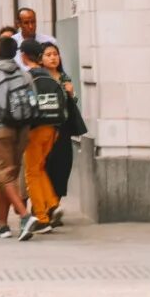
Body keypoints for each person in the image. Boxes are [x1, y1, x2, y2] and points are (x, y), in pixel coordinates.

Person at [0, 34, 35, 237]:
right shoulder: (23, 73)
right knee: (10, 175)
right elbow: (33, 100)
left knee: (2, 174)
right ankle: (2, 224)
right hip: (22, 129)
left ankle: (24, 216)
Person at [19, 40, 66, 231]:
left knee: (31, 172)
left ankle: (41, 216)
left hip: (35, 129)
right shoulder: (50, 78)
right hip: (53, 129)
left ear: (23, 56)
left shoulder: (28, 78)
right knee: (39, 168)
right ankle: (52, 202)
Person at [40, 43, 87, 228]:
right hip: (45, 128)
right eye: (48, 54)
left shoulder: (64, 77)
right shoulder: (39, 78)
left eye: (55, 54)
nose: (53, 58)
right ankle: (43, 208)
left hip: (64, 129)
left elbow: (73, 103)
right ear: (41, 59)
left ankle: (55, 207)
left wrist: (71, 93)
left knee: (62, 167)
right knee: (46, 167)